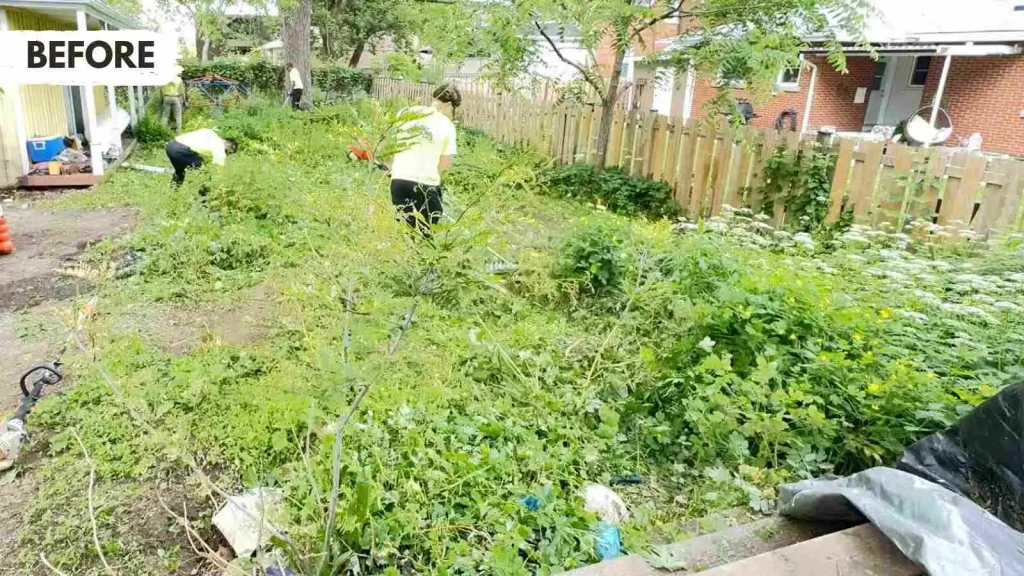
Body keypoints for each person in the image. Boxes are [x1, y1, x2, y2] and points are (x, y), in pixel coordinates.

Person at [389, 83, 461, 239]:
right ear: (449, 105)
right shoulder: (447, 125)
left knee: (405, 228)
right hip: (426, 183)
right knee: (428, 229)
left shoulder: (406, 112)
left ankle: (406, 251)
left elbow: (393, 143)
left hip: (399, 179)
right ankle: (424, 252)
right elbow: (446, 161)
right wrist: (436, 175)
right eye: (453, 110)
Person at [165, 128, 237, 186]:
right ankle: (203, 198)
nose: (227, 155)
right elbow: (218, 172)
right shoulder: (220, 148)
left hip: (171, 145)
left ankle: (172, 192)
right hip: (180, 150)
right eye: (229, 153)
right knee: (206, 171)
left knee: (180, 171)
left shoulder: (211, 133)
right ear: (230, 148)